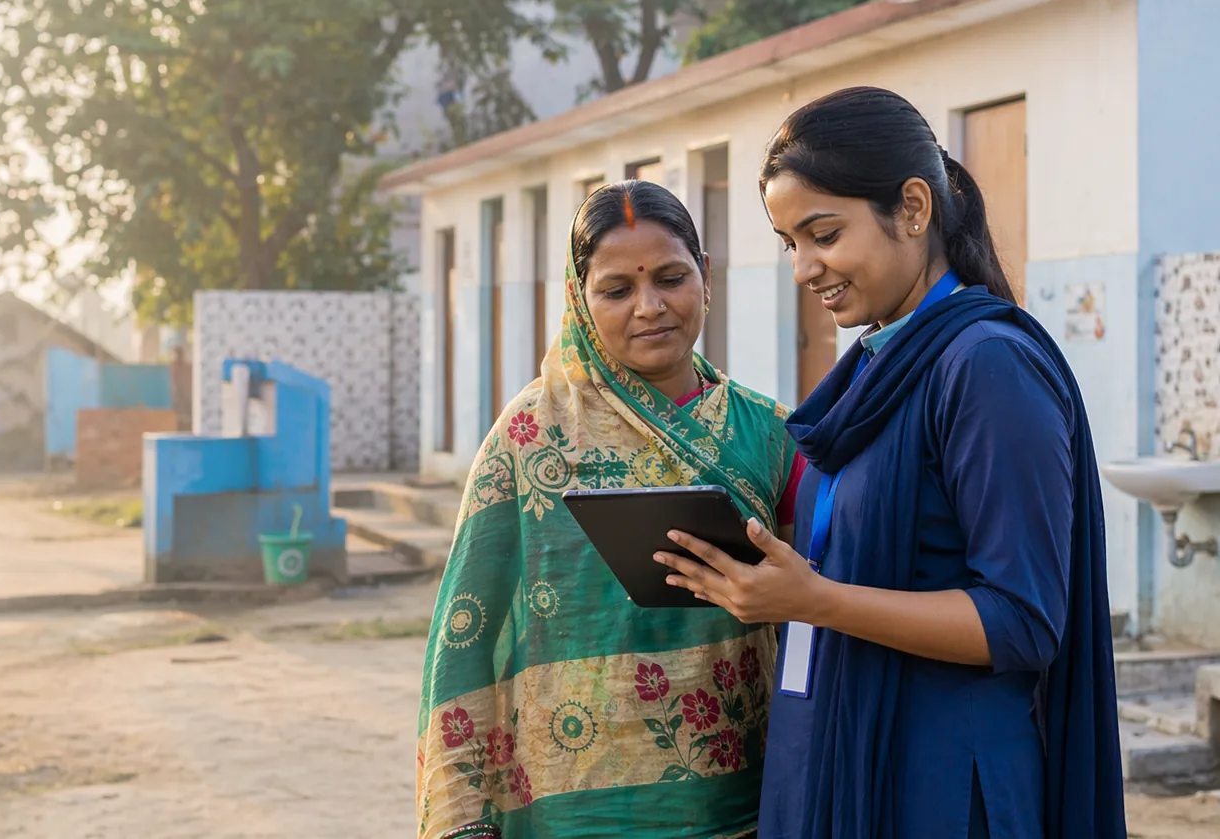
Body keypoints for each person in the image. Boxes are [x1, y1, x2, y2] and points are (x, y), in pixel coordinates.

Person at [657, 86, 1125, 839]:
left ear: (912, 208)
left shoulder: (986, 365)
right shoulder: (879, 367)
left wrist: (815, 599)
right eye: (789, 243)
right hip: (848, 748)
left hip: (942, 783)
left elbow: (1022, 619)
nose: (804, 268)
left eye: (824, 234)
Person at [416, 180, 805, 839]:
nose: (649, 307)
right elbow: (467, 629)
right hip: (570, 806)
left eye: (671, 279)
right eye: (617, 289)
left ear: (706, 278)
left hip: (737, 801)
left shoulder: (768, 434)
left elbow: (809, 615)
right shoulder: (529, 437)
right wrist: (463, 815)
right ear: (578, 297)